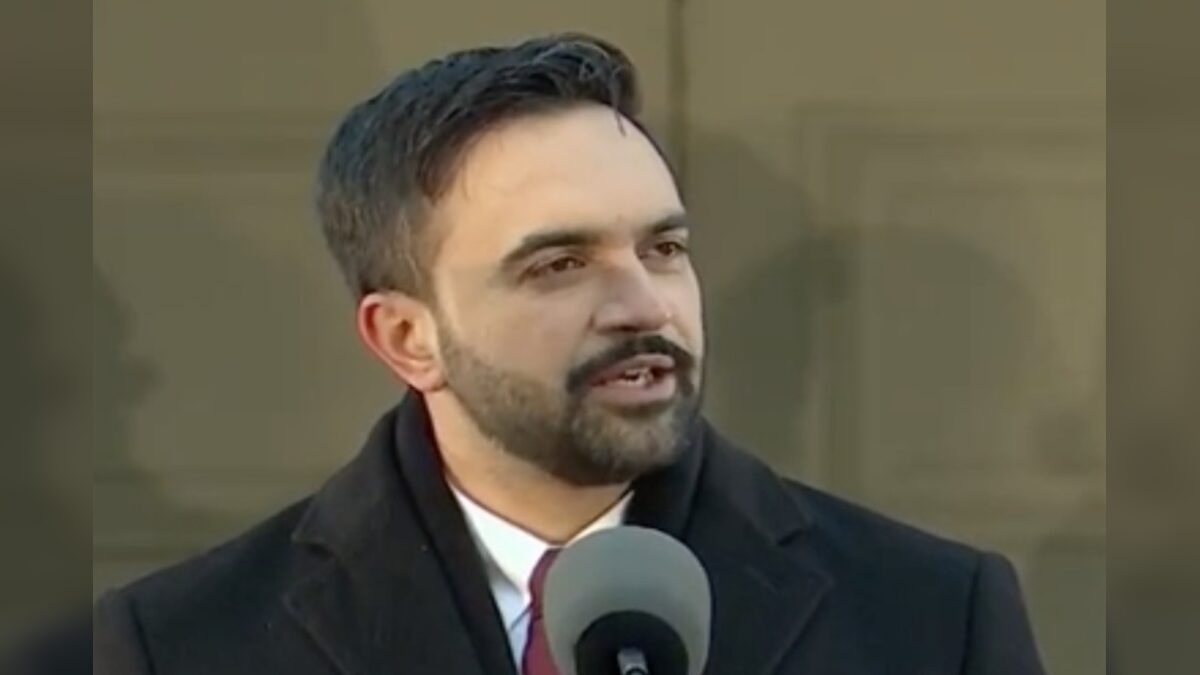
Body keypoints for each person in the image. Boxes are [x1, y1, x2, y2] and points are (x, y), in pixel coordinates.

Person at [93, 33, 1045, 674]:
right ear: (407, 338)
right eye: (559, 265)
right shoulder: (179, 644)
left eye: (663, 248)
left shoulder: (933, 616)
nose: (644, 305)